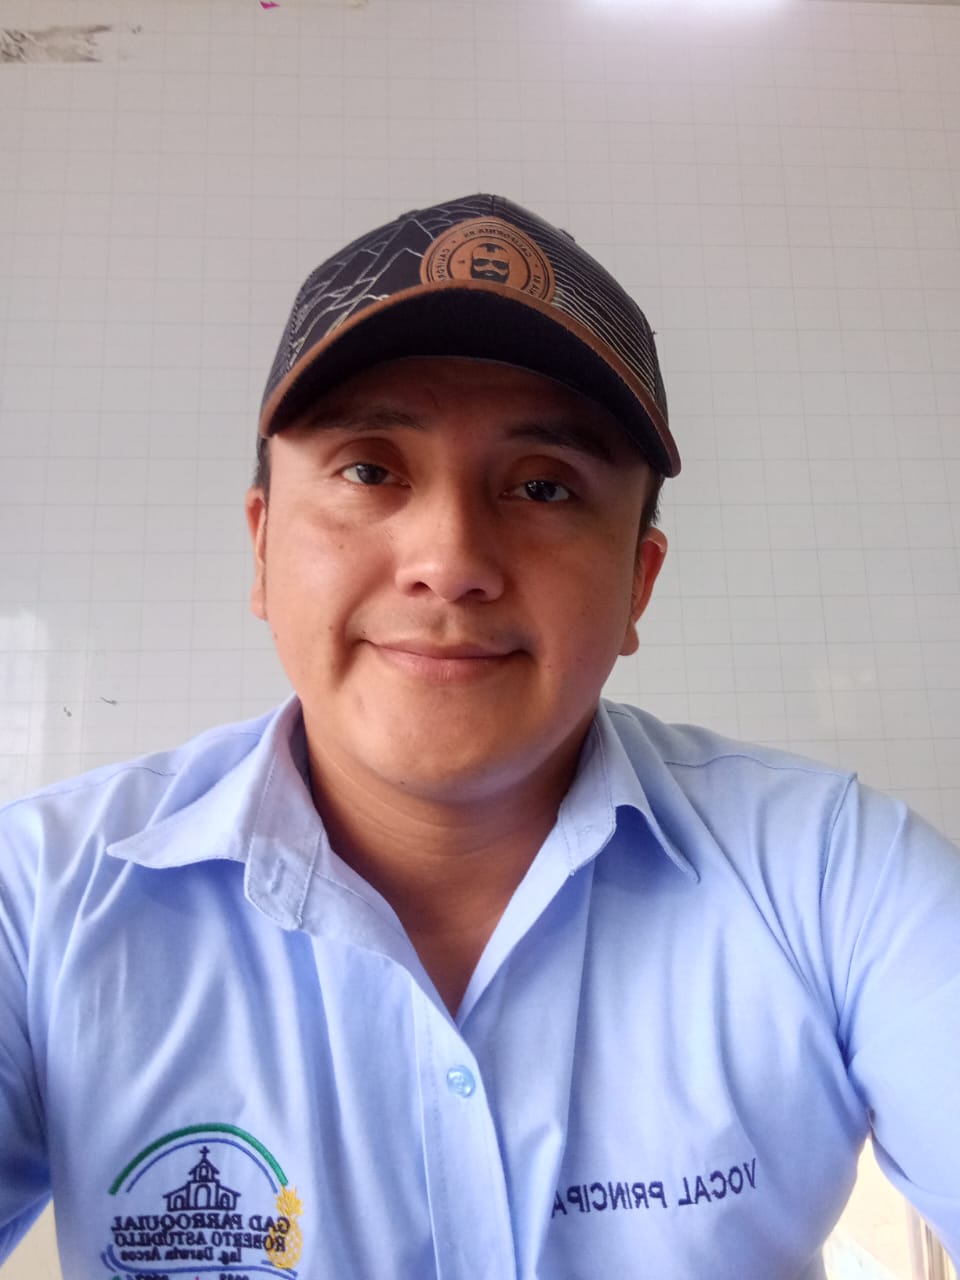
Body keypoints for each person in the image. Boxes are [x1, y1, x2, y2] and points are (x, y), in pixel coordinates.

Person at [0, 194, 957, 1280]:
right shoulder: (38, 900)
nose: (450, 559)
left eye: (545, 486)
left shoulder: (837, 876)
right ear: (263, 548)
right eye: (370, 469)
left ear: (637, 583)